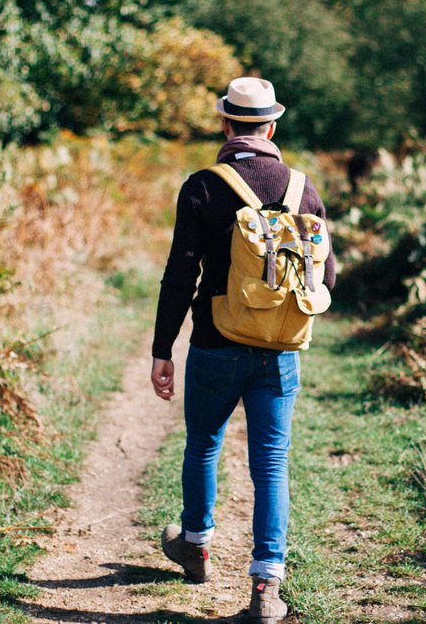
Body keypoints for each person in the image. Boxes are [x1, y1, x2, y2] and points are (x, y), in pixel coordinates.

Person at [149, 77, 336, 622]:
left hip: (214, 342)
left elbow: (180, 274)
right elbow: (326, 277)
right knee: (271, 464)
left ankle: (196, 545)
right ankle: (265, 590)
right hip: (280, 351)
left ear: (226, 125)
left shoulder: (203, 186)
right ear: (272, 127)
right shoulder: (304, 189)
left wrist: (163, 348)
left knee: (204, 445)